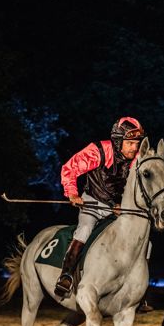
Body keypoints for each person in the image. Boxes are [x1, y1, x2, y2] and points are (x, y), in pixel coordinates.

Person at [54, 117, 145, 298]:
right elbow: (69, 168)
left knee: (139, 237)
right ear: (118, 141)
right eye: (130, 143)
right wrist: (72, 193)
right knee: (85, 229)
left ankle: (135, 288)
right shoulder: (99, 150)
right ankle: (66, 275)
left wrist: (123, 205)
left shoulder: (137, 159)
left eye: (137, 143)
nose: (135, 148)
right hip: (92, 202)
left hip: (117, 208)